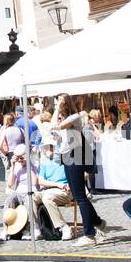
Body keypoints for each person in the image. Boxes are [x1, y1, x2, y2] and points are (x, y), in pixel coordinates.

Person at [53, 94, 102, 247]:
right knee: (77, 195)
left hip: (76, 156)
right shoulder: (63, 118)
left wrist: (57, 108)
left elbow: (56, 127)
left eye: (59, 103)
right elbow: (53, 126)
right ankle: (98, 223)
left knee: (80, 197)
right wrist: (57, 110)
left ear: (65, 104)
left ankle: (89, 235)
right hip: (68, 156)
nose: (57, 106)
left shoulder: (74, 117)